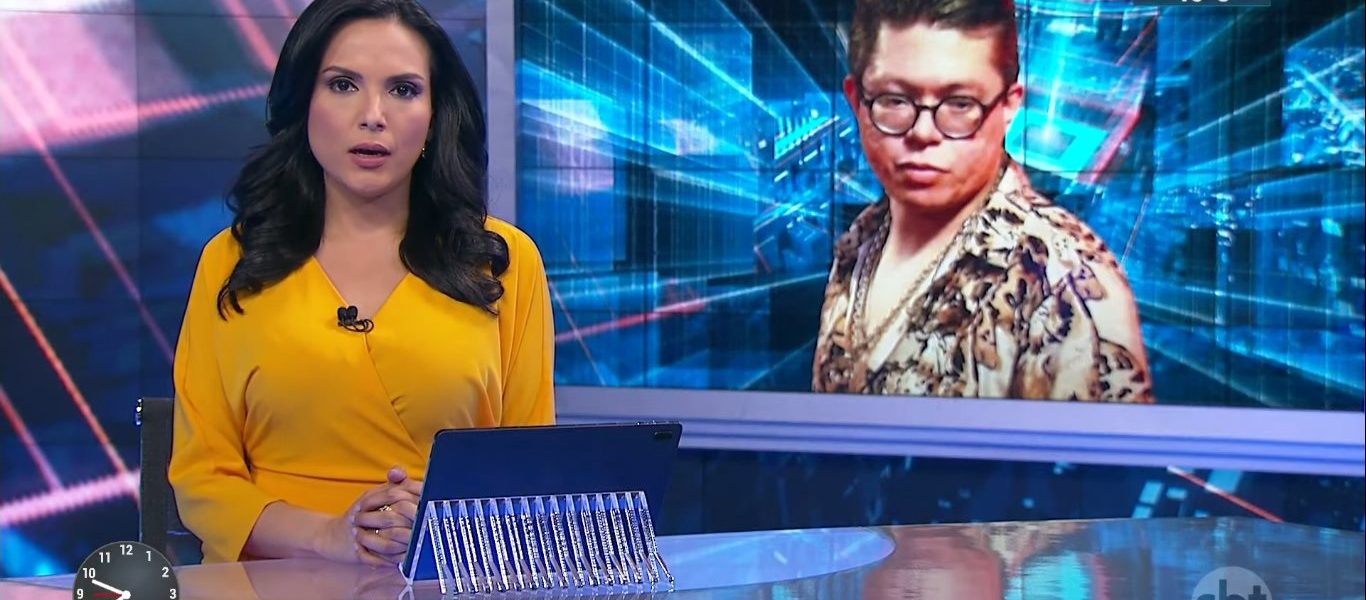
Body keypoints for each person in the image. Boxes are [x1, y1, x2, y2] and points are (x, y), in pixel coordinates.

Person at [169, 0, 555, 566]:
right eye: (343, 84)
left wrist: (443, 525)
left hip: (443, 577)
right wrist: (331, 535)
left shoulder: (503, 261)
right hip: (272, 577)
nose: (373, 115)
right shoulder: (232, 261)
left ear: (435, 116)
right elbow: (202, 478)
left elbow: (531, 471)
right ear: (304, 103)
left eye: (403, 90)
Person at [813, 0, 1152, 402]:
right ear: (856, 101)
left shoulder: (1069, 288)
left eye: (960, 103)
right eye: (895, 100)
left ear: (1009, 106)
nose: (923, 132)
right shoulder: (859, 242)